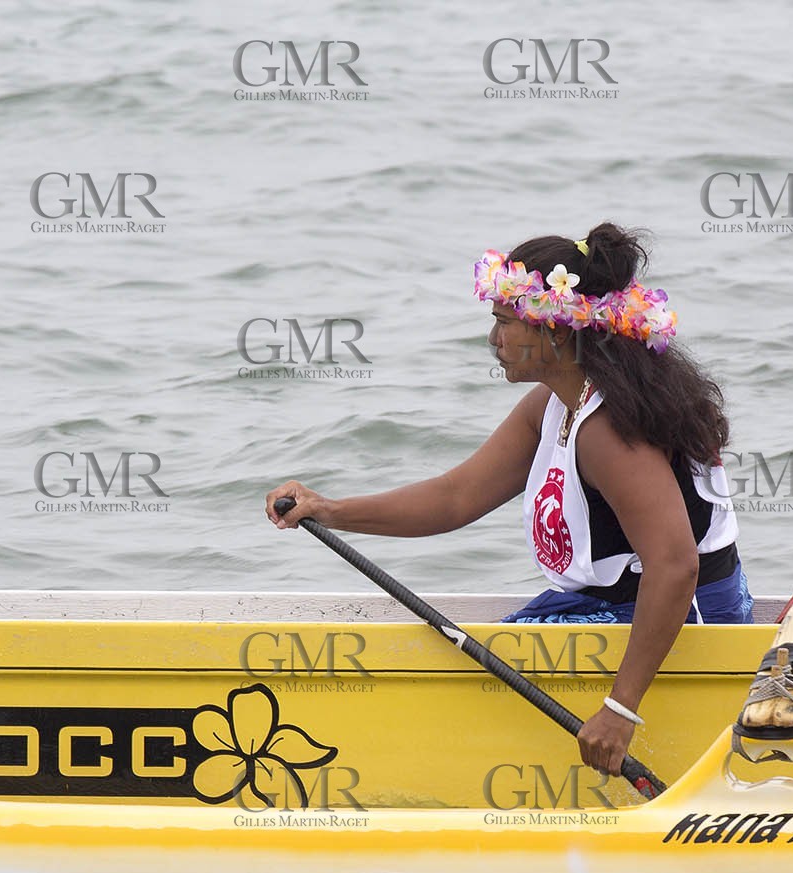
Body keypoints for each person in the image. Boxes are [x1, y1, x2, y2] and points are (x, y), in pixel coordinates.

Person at [265, 222, 751, 776]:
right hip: (621, 603)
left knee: (474, 673)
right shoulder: (554, 404)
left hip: (684, 620)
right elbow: (454, 498)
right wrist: (328, 509)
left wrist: (620, 711)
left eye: (504, 322)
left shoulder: (610, 431)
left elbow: (675, 565)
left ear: (558, 331)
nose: (493, 339)